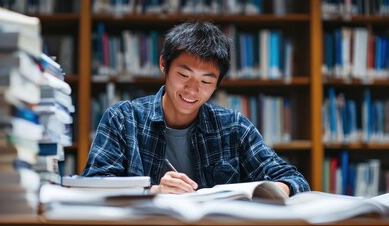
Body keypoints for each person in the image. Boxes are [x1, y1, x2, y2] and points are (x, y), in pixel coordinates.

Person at [82, 21, 310, 196]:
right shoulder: (122, 119)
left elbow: (293, 179)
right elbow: (93, 187)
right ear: (164, 65)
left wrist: (271, 192)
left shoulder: (234, 127)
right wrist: (154, 191)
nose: (192, 90)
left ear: (217, 84)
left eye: (206, 82)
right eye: (183, 75)